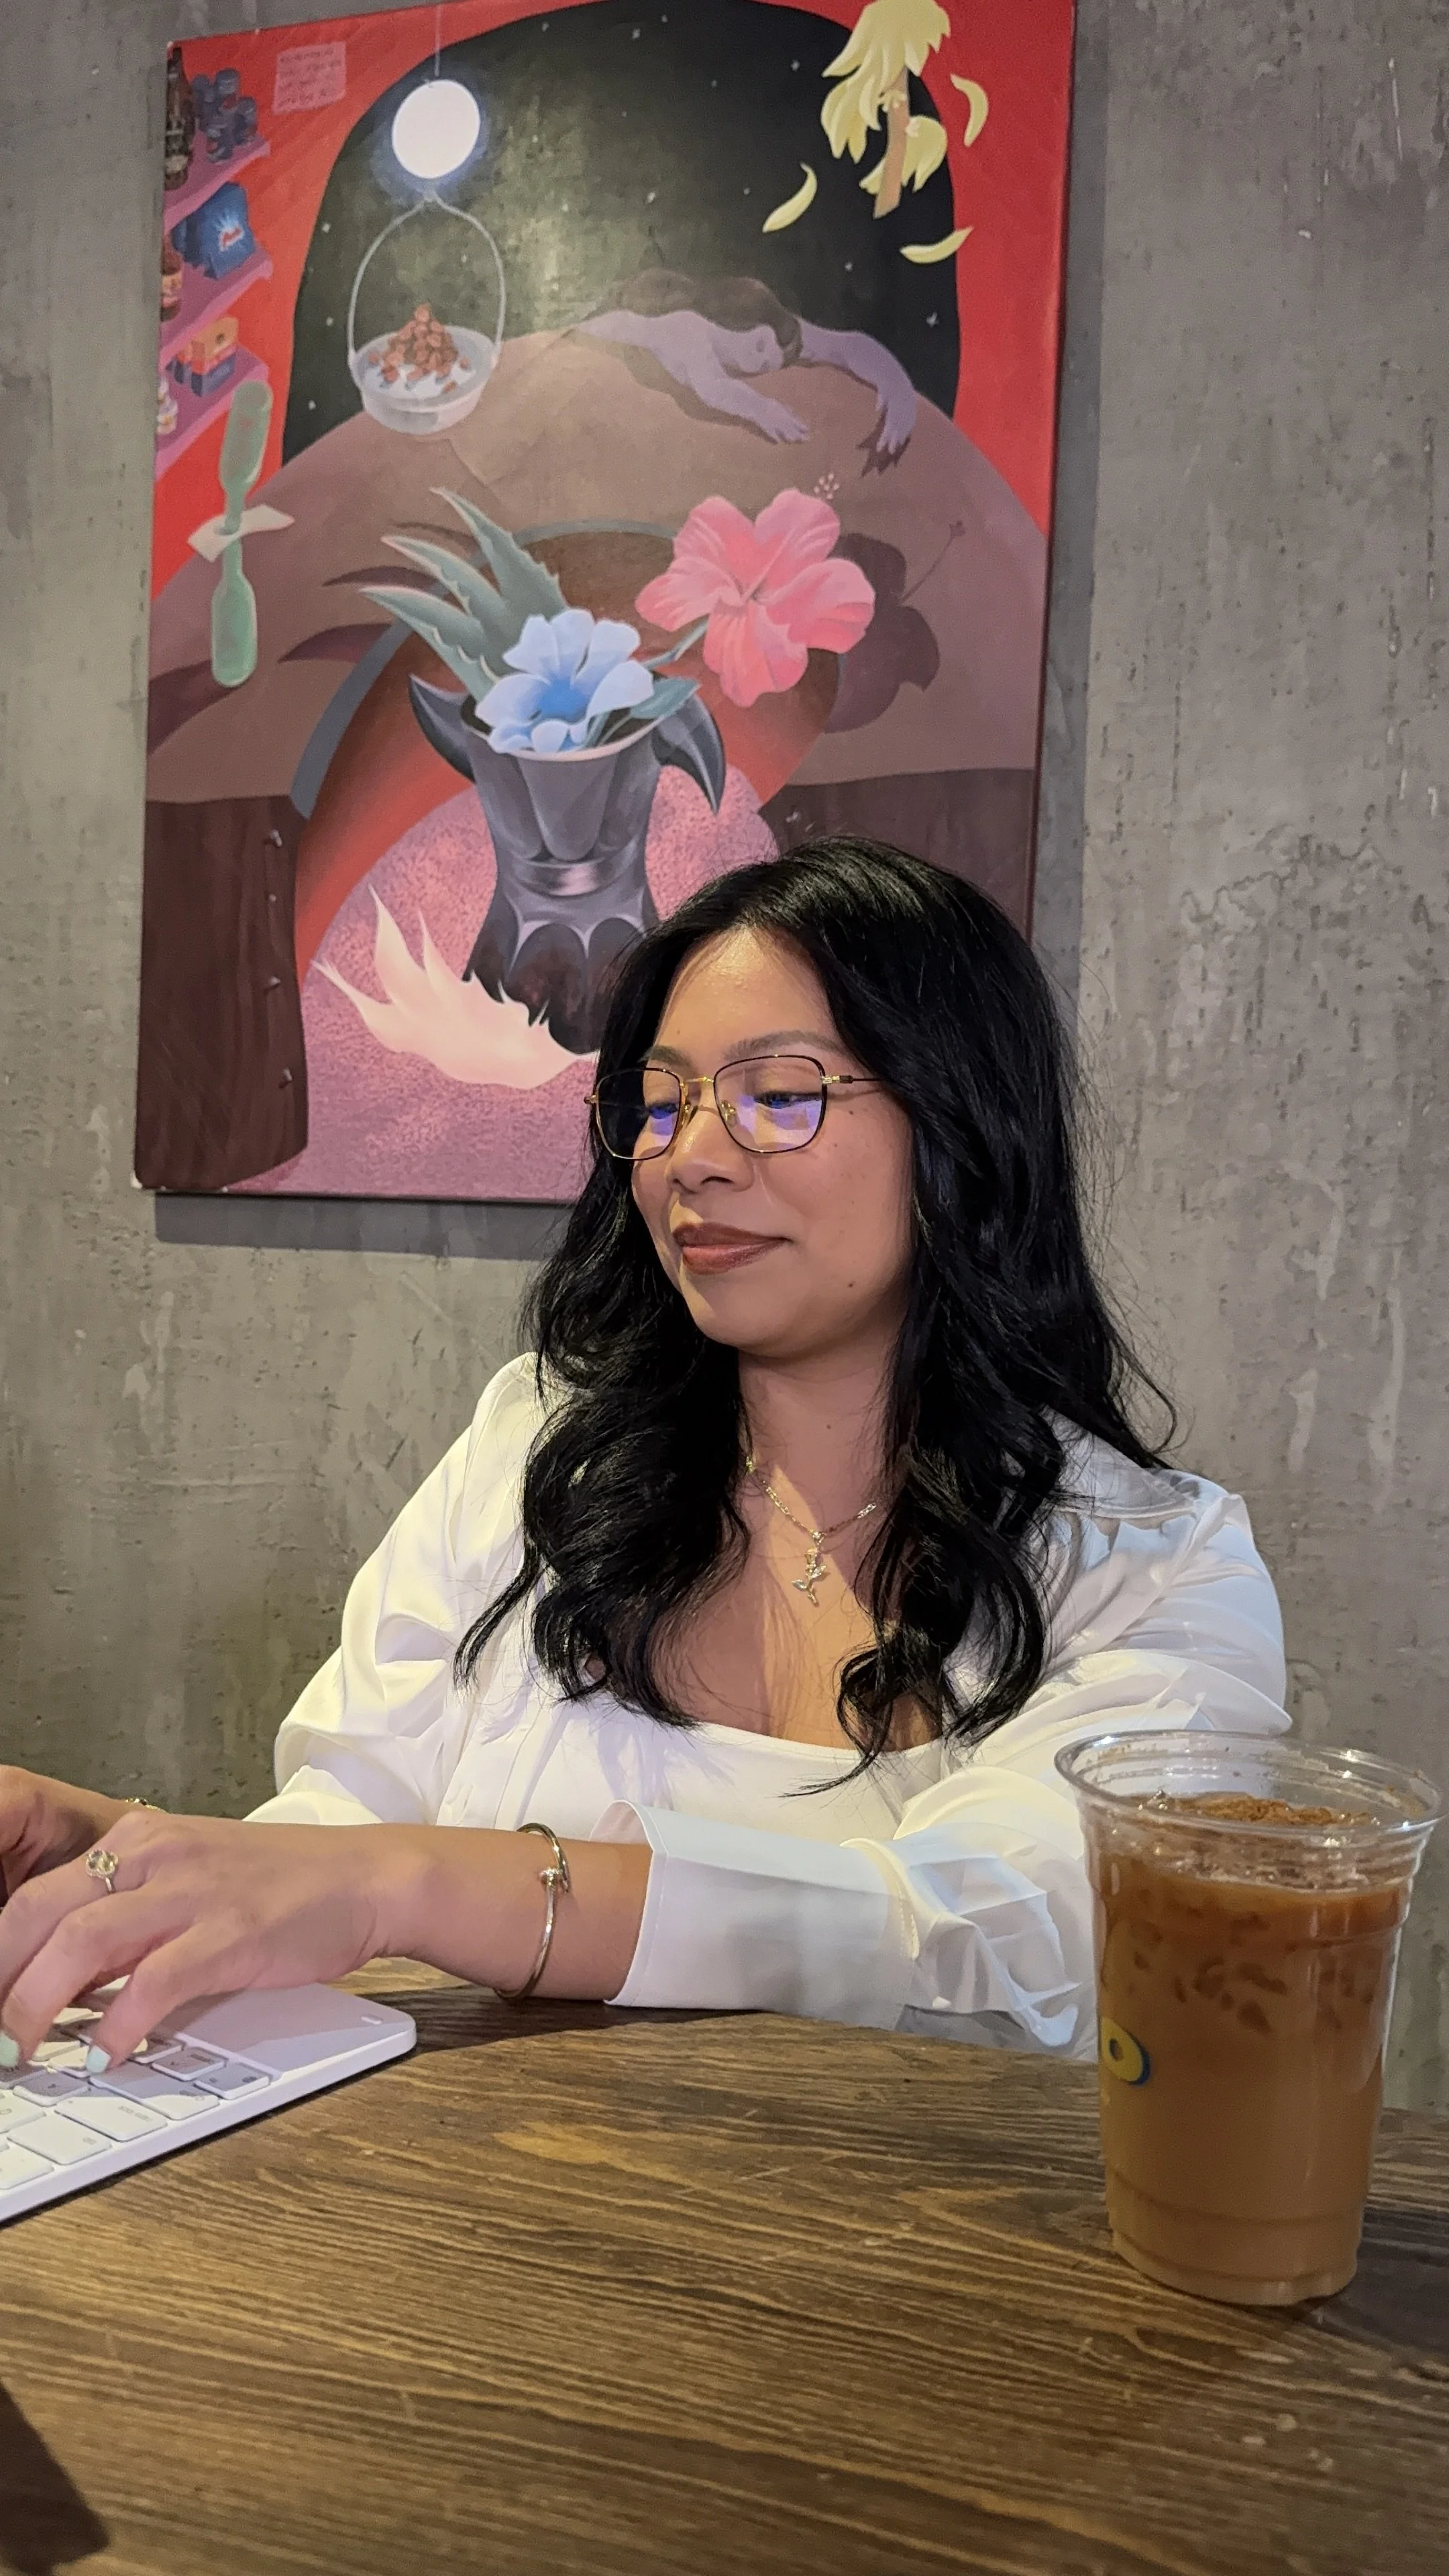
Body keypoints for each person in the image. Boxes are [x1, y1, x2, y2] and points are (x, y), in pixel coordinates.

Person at [0, 841, 1287, 2074]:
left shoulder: (1158, 1569)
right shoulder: (539, 1447)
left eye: (780, 1095)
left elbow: (991, 1935)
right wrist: (117, 1860)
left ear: (966, 1127)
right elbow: (341, 1840)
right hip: (460, 2226)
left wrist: (408, 1880)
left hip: (906, 2265)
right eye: (661, 1104)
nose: (693, 1160)